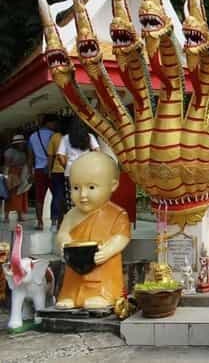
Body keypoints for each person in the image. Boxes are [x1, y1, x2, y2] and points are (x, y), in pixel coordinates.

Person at [55, 152, 131, 309]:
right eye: (76, 188)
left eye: (91, 187)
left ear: (113, 185)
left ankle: (104, 294)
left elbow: (122, 237)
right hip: (76, 262)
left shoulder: (117, 214)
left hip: (101, 262)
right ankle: (70, 295)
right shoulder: (71, 215)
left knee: (103, 274)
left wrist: (108, 250)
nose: (83, 195)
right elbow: (63, 233)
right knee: (72, 279)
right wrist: (64, 243)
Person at [57, 118, 100, 212]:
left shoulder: (66, 138)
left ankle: (74, 216)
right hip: (87, 171)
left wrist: (66, 166)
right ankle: (87, 216)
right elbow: (97, 151)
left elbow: (60, 155)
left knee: (73, 195)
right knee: (88, 195)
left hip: (71, 171)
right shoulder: (90, 136)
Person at [28, 115, 58, 230]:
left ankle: (40, 222)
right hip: (52, 169)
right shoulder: (53, 135)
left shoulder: (32, 137)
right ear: (48, 123)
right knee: (56, 195)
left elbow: (30, 157)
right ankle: (55, 220)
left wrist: (30, 172)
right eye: (54, 123)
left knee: (39, 197)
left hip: (39, 170)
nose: (55, 125)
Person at [4, 135, 29, 223]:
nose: (22, 145)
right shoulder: (9, 152)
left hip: (22, 174)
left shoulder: (23, 152)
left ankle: (19, 215)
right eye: (20, 143)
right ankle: (6, 216)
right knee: (10, 196)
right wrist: (6, 177)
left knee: (21, 195)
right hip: (12, 174)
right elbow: (6, 165)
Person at [47, 119, 67, 229]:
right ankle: (63, 219)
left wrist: (49, 170)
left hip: (57, 170)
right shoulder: (71, 137)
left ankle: (54, 220)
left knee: (57, 195)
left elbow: (50, 155)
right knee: (66, 196)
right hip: (69, 170)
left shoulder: (55, 137)